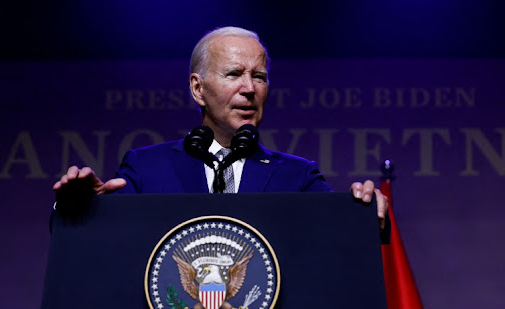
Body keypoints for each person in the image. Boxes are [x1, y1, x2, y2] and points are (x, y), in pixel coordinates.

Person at [53, 26, 387, 228]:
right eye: (233, 74)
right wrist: (79, 207)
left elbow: (342, 233)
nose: (250, 88)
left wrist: (366, 213)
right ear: (198, 89)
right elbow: (102, 236)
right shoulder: (146, 168)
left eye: (259, 76)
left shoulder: (298, 177)